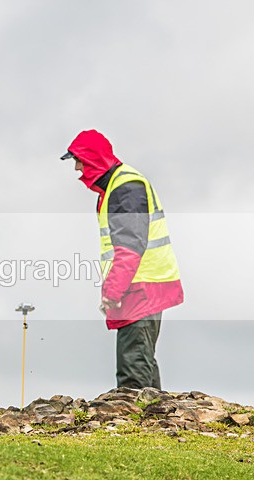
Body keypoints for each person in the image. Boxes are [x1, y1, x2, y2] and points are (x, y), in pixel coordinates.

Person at [61, 130, 183, 389]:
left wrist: (113, 292)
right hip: (141, 284)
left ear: (92, 159)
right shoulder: (117, 187)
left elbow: (129, 246)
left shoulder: (125, 187)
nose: (76, 168)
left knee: (133, 368)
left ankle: (135, 422)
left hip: (141, 285)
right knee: (141, 359)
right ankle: (152, 421)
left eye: (78, 160)